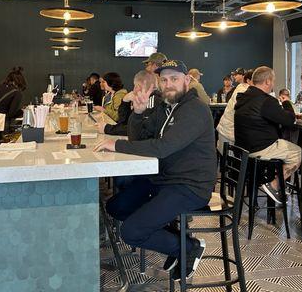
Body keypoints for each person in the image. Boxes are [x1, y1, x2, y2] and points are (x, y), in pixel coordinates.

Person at [95, 60, 216, 280]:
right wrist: (139, 113)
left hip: (189, 186)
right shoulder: (164, 107)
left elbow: (161, 148)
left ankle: (187, 248)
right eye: (164, 79)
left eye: (175, 79)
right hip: (162, 179)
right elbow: (139, 139)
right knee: (116, 207)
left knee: (131, 232)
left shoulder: (195, 110)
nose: (169, 84)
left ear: (187, 81)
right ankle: (177, 242)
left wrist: (116, 145)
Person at [234, 66, 301, 203]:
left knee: (284, 147)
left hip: (243, 147)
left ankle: (279, 188)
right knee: (297, 152)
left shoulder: (243, 97)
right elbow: (289, 120)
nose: (273, 84)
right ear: (267, 82)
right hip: (260, 147)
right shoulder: (266, 100)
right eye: (273, 81)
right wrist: (287, 102)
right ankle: (274, 185)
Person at [97, 70, 162, 136]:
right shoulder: (151, 99)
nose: (133, 89)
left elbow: (135, 129)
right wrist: (125, 101)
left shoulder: (151, 102)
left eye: (135, 86)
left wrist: (107, 129)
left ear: (138, 86)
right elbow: (125, 122)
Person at [216, 70, 251, 153]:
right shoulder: (243, 90)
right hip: (230, 131)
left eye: (236, 74)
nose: (234, 76)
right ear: (249, 80)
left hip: (226, 128)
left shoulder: (239, 87)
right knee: (229, 157)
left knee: (225, 157)